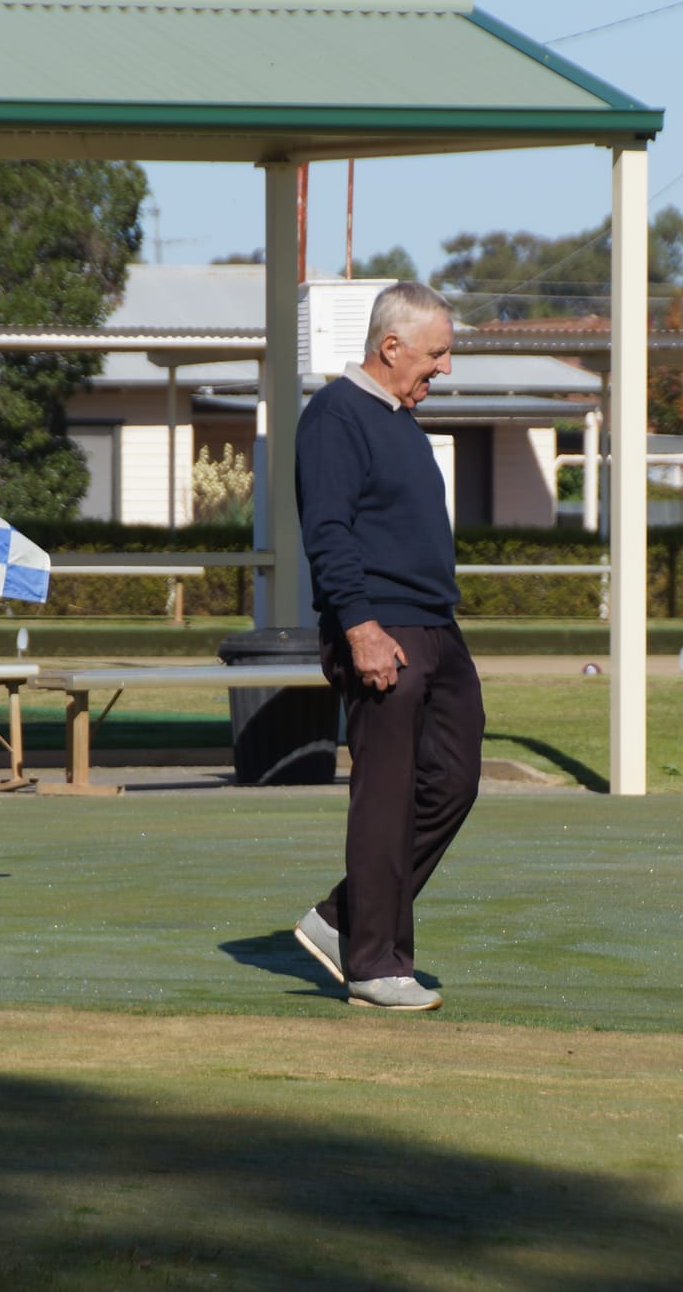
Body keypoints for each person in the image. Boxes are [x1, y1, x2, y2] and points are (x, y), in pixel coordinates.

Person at [291, 281, 485, 1012]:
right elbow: (329, 532)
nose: (443, 367)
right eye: (435, 353)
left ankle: (342, 917)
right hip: (381, 628)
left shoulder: (400, 419)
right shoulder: (336, 417)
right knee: (387, 794)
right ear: (391, 345)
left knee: (454, 779)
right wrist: (359, 626)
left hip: (437, 626)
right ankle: (374, 965)